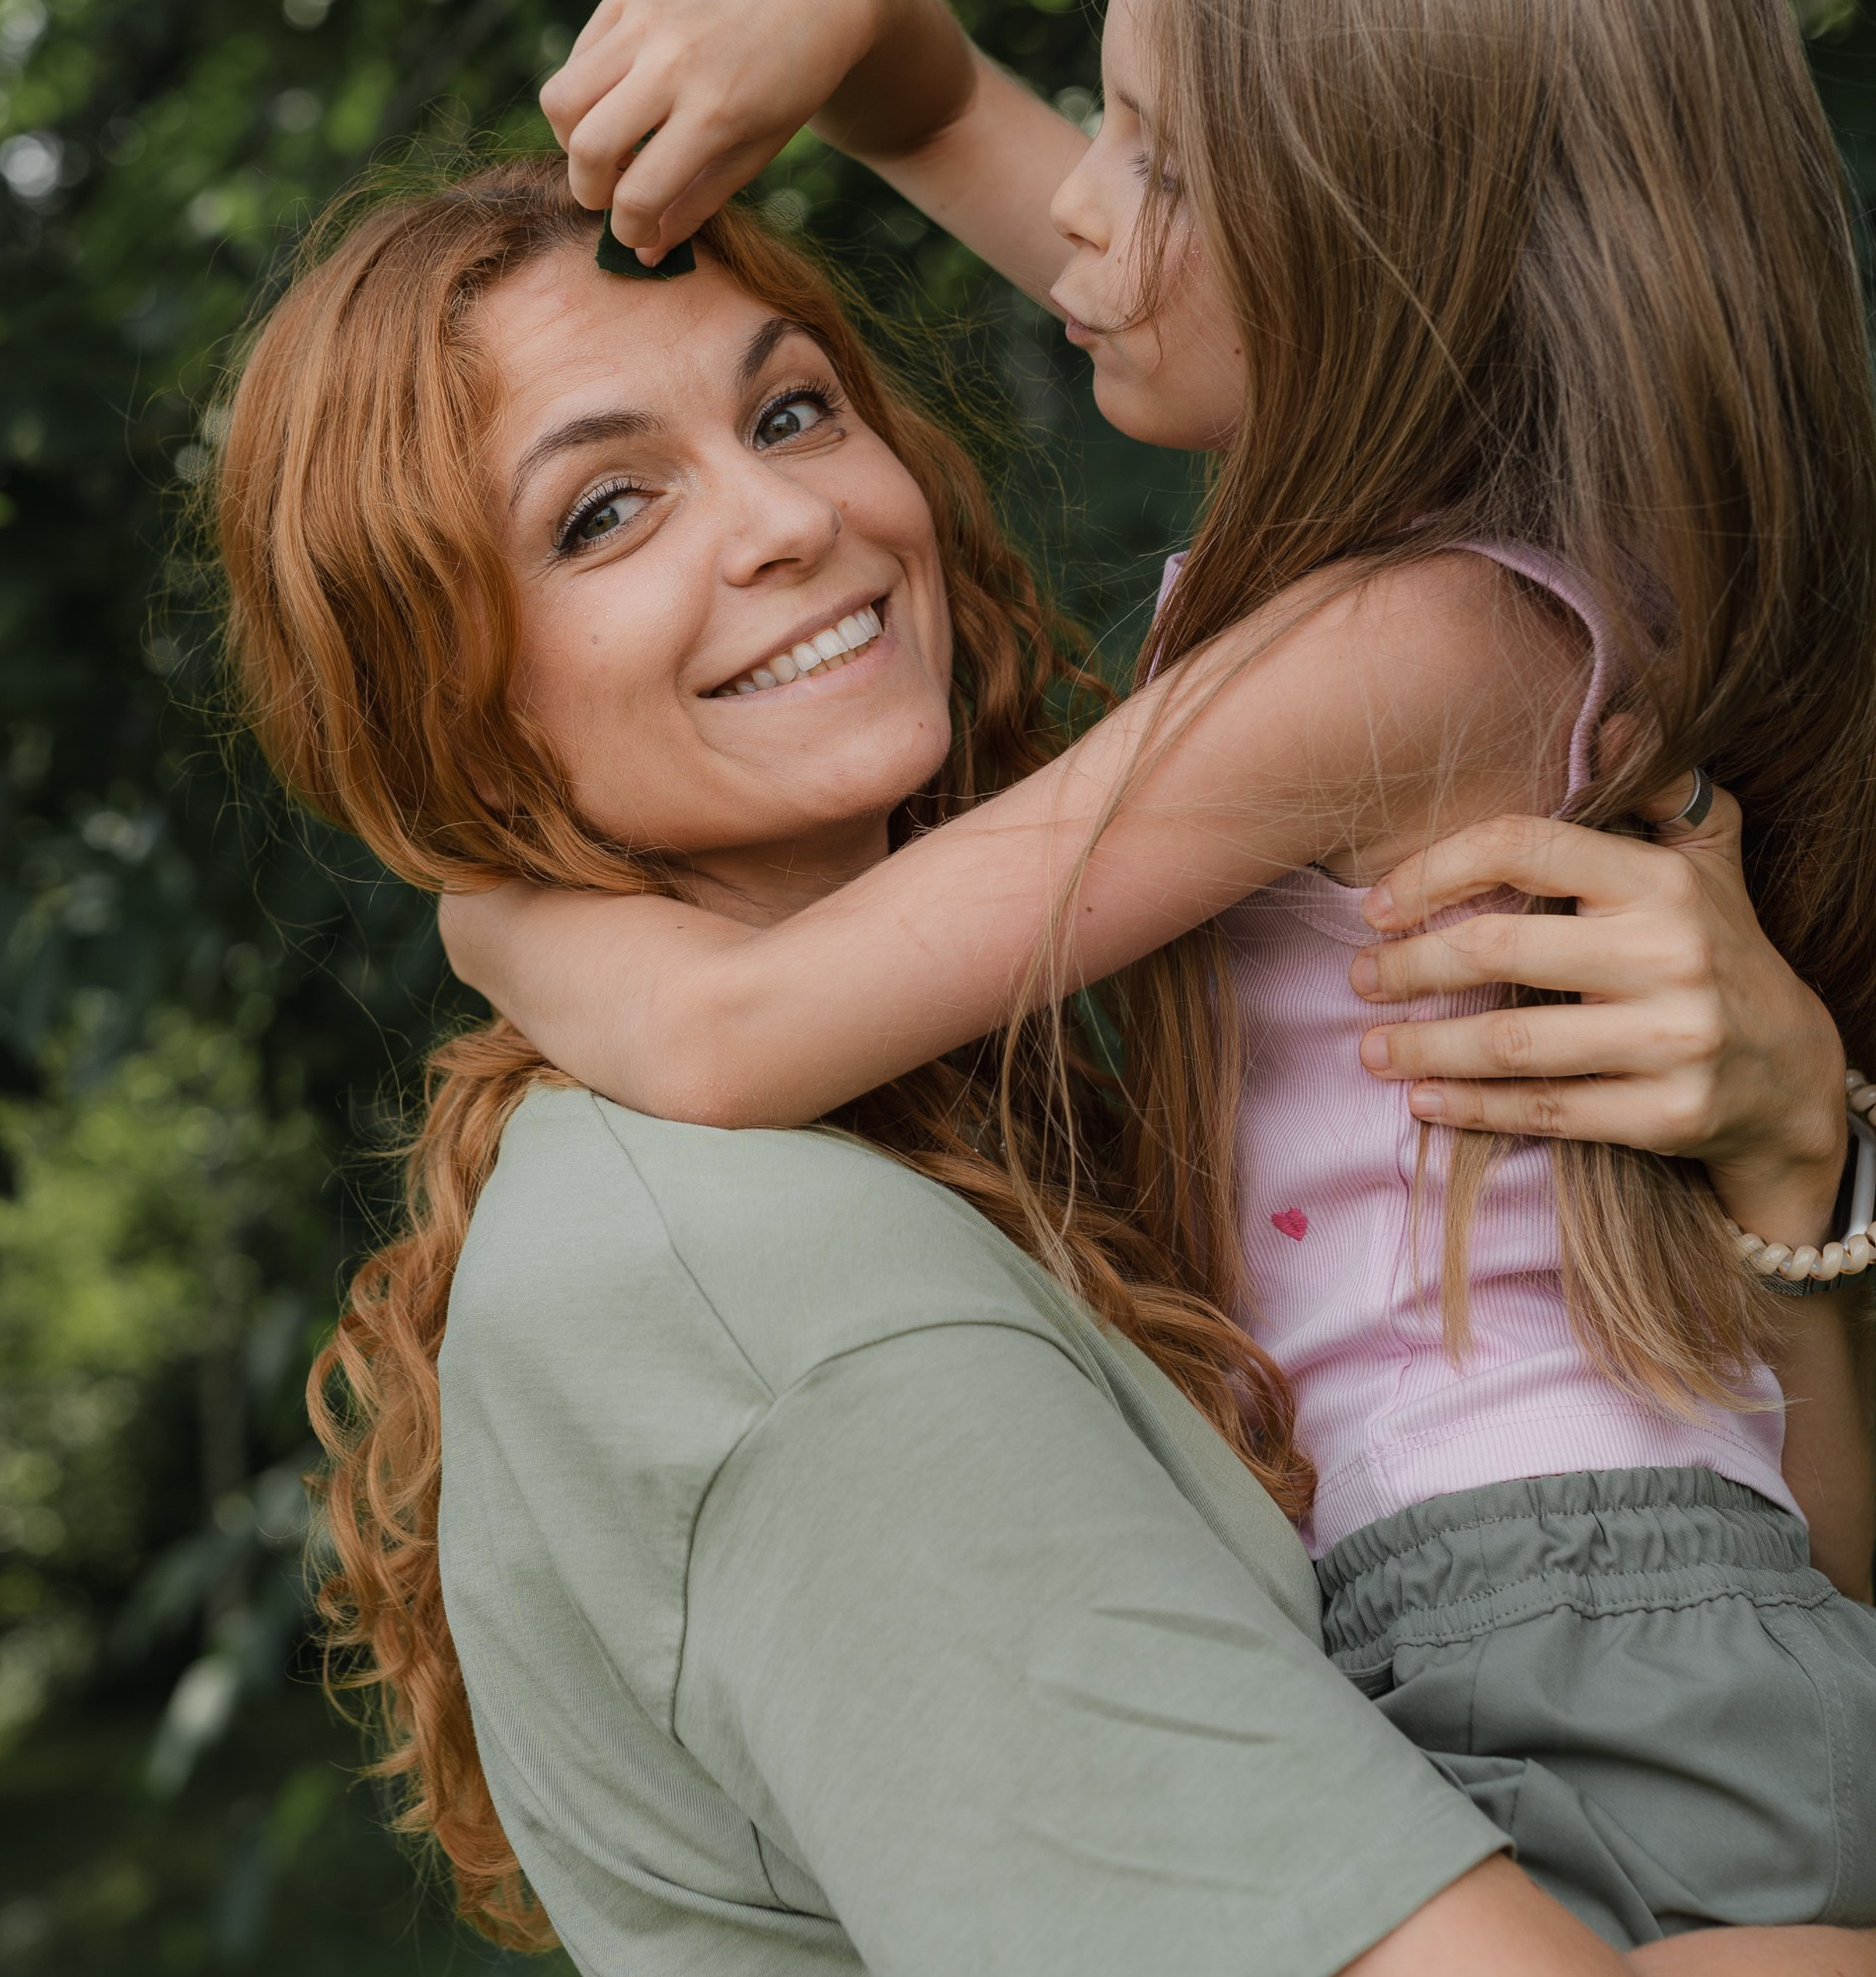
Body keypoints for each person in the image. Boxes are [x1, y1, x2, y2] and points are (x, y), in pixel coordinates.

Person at [216, 156, 1874, 1972]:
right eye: (604, 511)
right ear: (433, 693)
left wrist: (1791, 1170)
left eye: (790, 408)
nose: (779, 518)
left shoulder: (1013, 1129)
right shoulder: (774, 1276)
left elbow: (1762, 1657)